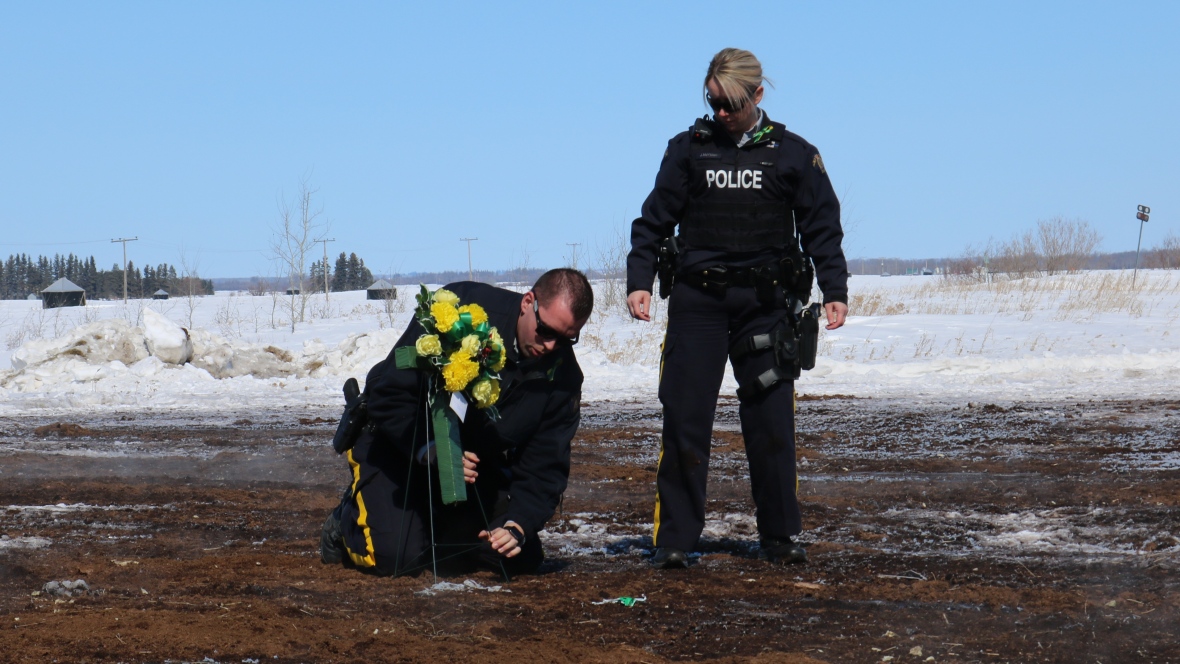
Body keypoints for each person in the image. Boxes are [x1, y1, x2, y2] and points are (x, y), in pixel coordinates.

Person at [626, 48, 849, 569]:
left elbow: (822, 228)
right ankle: (676, 540)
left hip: (766, 309)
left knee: (772, 427)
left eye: (731, 104)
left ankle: (779, 535)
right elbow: (652, 221)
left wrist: (833, 288)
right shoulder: (687, 151)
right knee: (685, 421)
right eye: (713, 102)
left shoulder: (795, 155)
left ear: (758, 96)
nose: (721, 113)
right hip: (697, 305)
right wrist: (639, 280)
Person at [320, 268, 593, 577]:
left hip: (470, 471)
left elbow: (545, 462)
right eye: (546, 331)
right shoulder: (459, 311)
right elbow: (389, 393)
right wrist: (432, 449)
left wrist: (519, 523)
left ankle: (435, 528)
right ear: (528, 302)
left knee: (517, 558)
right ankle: (345, 522)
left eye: (566, 338)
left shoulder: (564, 378)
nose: (551, 347)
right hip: (400, 444)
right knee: (396, 557)